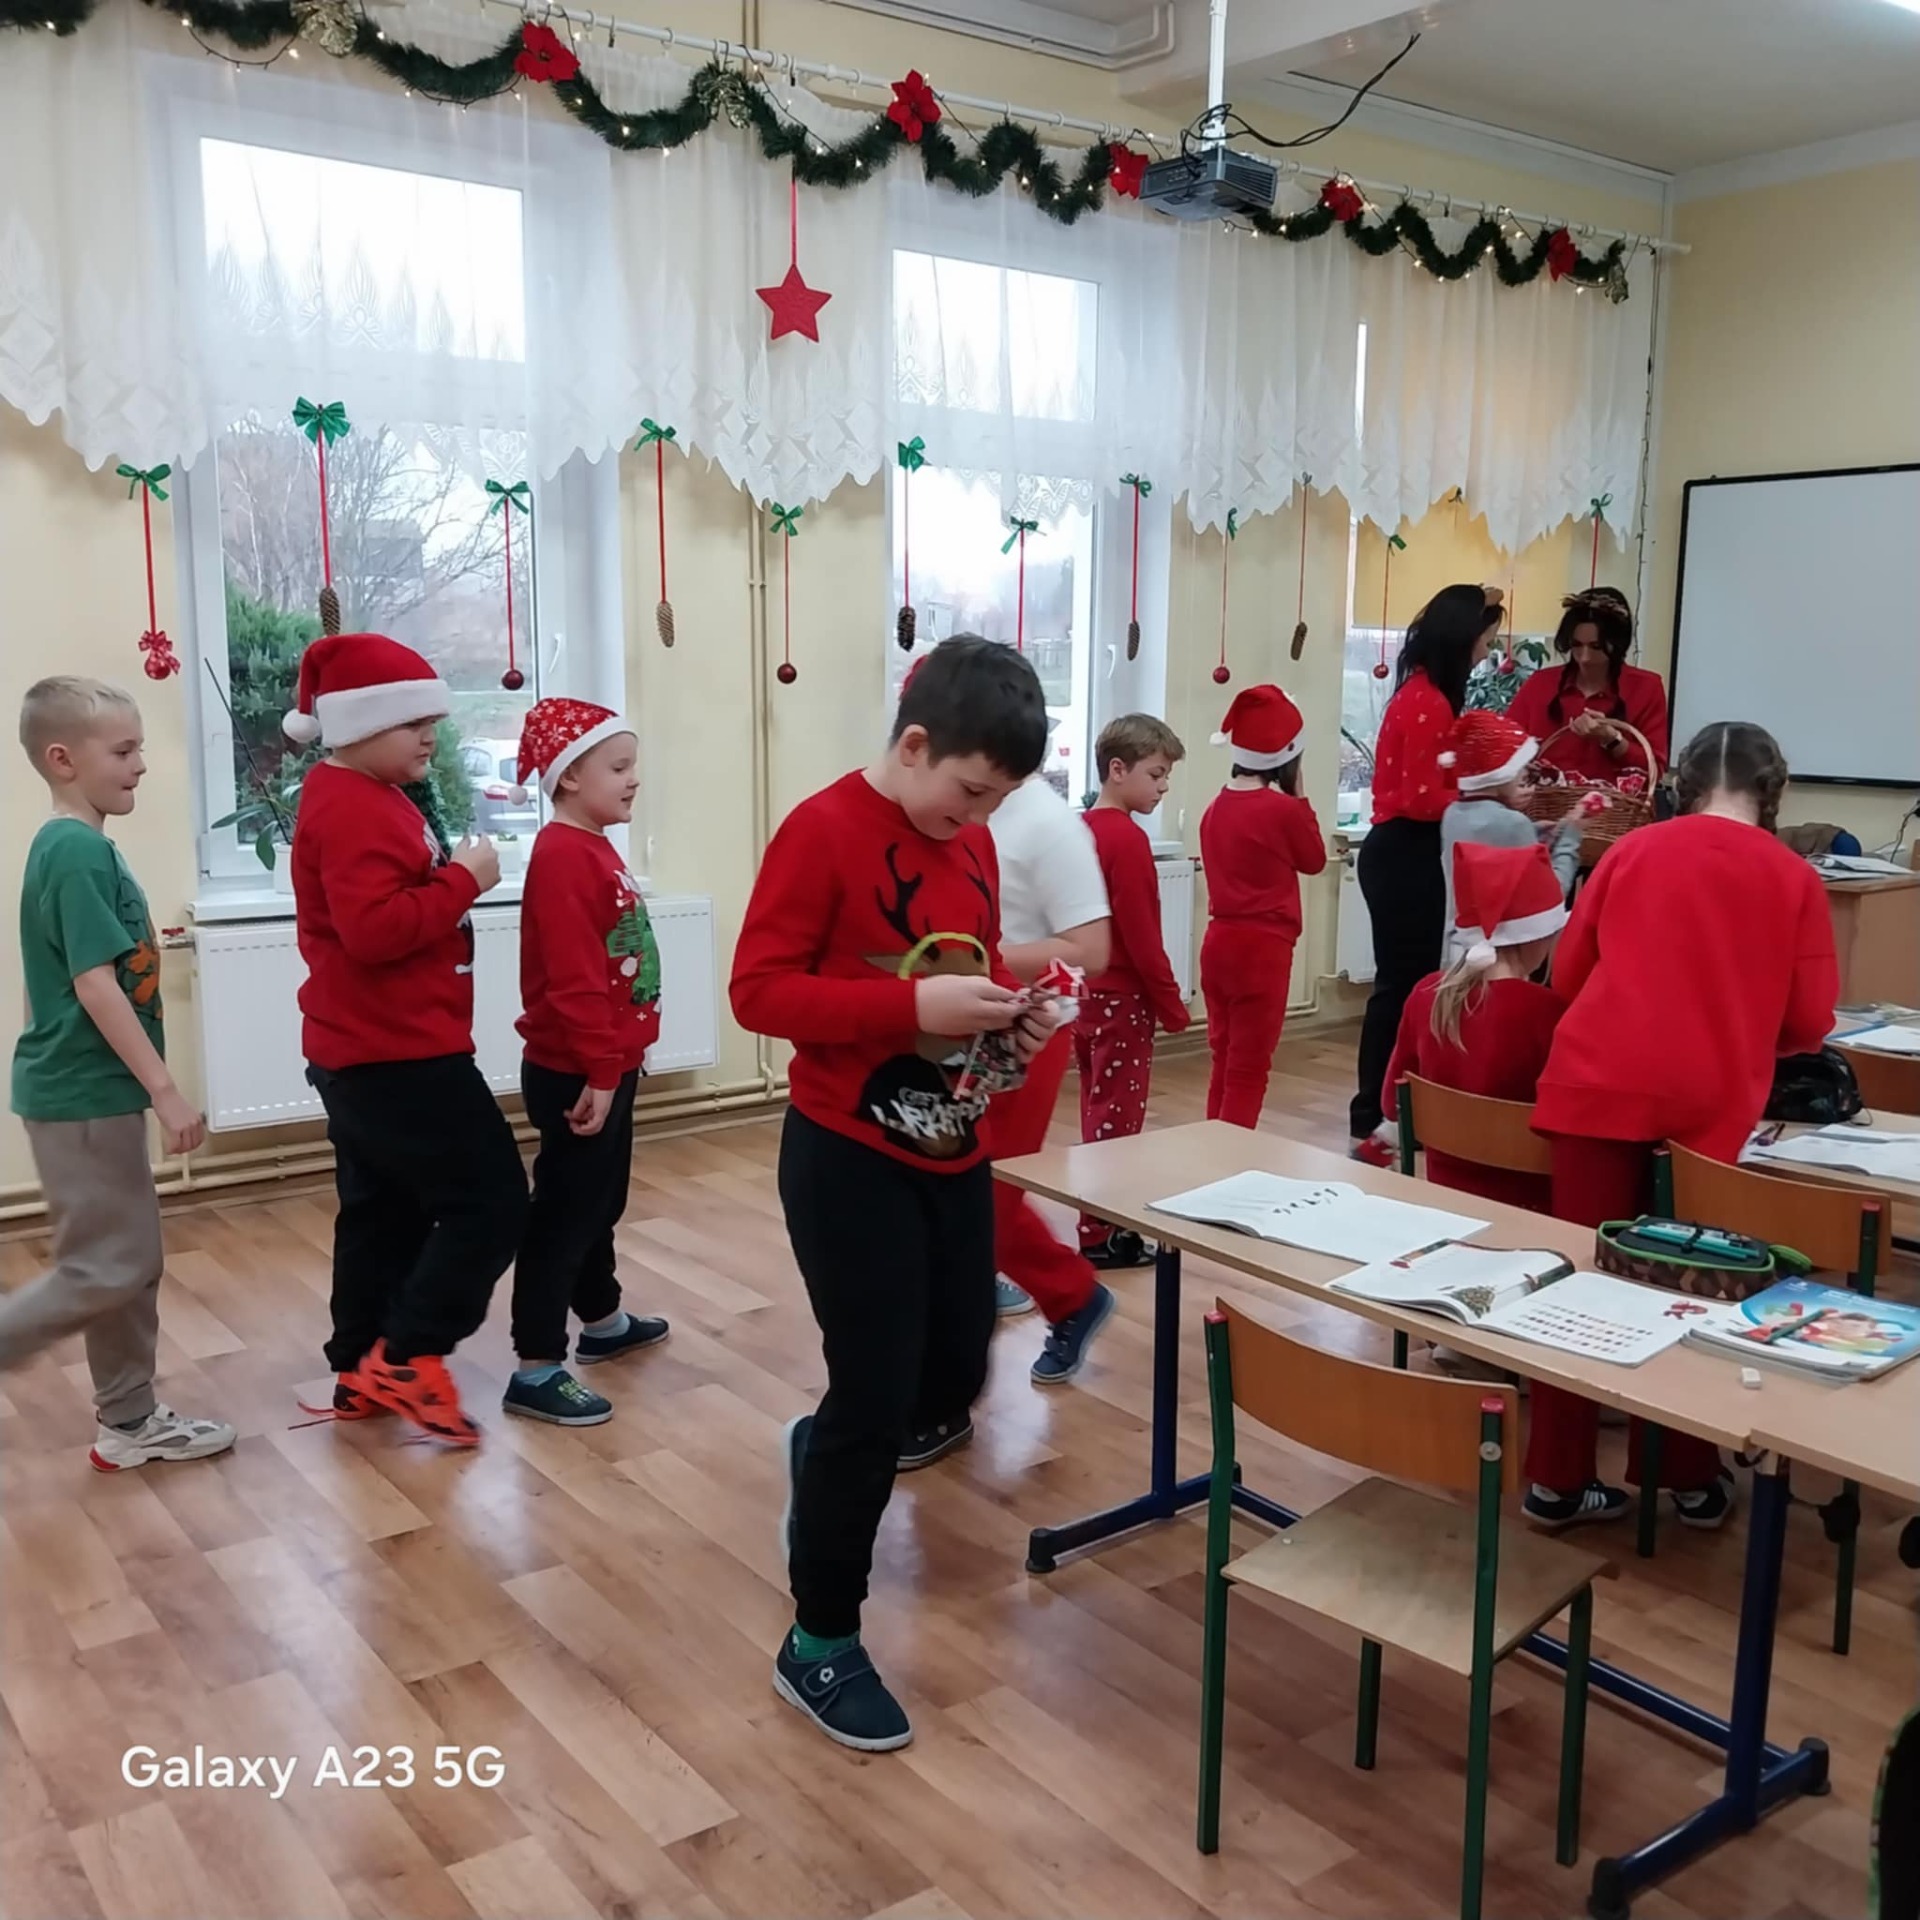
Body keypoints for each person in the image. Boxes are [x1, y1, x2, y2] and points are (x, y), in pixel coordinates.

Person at [730, 636, 1060, 1753]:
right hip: (845, 1156)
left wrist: (1011, 1015)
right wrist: (911, 1012)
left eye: (997, 801)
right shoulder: (822, 831)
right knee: (873, 1401)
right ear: (914, 745)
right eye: (970, 791)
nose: (978, 817)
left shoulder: (968, 840)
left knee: (952, 1380)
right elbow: (758, 993)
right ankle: (819, 1641)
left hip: (952, 1151)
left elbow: (966, 964)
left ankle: (828, 1447)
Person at [1528, 720, 1839, 1531]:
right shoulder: (1793, 876)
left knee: (1584, 1279)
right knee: (1698, 1291)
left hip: (1596, 1083)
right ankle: (1686, 1476)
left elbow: (1567, 975)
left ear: (1684, 783)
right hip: (1710, 1105)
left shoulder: (1632, 851)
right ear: (1772, 791)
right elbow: (1810, 1021)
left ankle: (1556, 1477)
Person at [288, 632, 528, 1447]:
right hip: (397, 1056)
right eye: (412, 723)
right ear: (357, 725)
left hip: (366, 1051)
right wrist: (464, 880)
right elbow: (375, 932)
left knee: (381, 1212)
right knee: (491, 1203)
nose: (431, 737)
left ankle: (359, 1364)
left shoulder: (361, 792)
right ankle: (408, 1354)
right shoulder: (353, 805)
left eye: (433, 722)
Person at [4, 678, 236, 1471]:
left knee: (128, 1266)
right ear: (62, 759)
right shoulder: (73, 849)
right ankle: (128, 1418)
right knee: (107, 1267)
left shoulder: (80, 846)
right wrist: (165, 1091)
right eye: (124, 750)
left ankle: (130, 1421)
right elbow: (94, 984)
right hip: (81, 1096)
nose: (141, 764)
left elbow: (47, 979)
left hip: (89, 1091)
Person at [508, 698, 670, 1428]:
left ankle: (601, 1321)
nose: (634, 779)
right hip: (577, 1071)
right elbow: (575, 980)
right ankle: (536, 1365)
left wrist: (625, 1055)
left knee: (599, 1204)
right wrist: (603, 1070)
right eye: (619, 766)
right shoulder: (563, 857)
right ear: (569, 776)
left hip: (606, 1064)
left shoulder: (593, 846)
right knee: (564, 1215)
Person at [1349, 584, 1504, 1163]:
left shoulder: (1423, 695)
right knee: (1402, 989)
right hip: (1403, 849)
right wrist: (1484, 794)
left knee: (1401, 986)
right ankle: (1379, 1110)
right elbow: (1419, 797)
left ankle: (1384, 1108)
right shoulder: (1428, 702)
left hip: (1402, 849)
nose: (1485, 653)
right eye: (1484, 640)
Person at [983, 760, 1118, 1383]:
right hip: (961, 1023)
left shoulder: (1049, 824)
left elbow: (1091, 950)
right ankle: (1061, 1293)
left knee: (984, 1197)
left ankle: (1071, 1295)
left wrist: (971, 957)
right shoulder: (964, 810)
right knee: (963, 1192)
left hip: (1029, 1033)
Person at [1381, 840, 1568, 1214]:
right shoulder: (1550, 1013)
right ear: (1536, 935)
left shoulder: (1426, 995)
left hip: (1446, 1201)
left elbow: (1392, 1103)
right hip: (1531, 1207)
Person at [1077, 713, 1191, 1264]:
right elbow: (1143, 935)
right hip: (1121, 999)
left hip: (1084, 994)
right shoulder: (1125, 839)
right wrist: (1171, 1004)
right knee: (1118, 1118)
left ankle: (1096, 1223)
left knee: (1095, 1107)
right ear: (1117, 770)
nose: (1163, 787)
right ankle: (1103, 1232)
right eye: (1156, 774)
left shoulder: (1081, 829)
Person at [1198, 685, 1327, 1128]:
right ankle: (1232, 1159)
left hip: (1218, 944)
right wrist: (1301, 797)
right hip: (1263, 950)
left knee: (1223, 1058)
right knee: (1249, 1070)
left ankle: (1212, 1150)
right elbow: (1314, 860)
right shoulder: (1282, 811)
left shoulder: (1213, 809)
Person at [1436, 709, 1581, 963]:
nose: (1524, 772)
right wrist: (1572, 834)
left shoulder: (1452, 815)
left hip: (1458, 951)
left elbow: (1488, 845)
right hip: (1502, 957)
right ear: (1500, 772)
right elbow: (1553, 893)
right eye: (1518, 765)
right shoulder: (1512, 824)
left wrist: (1533, 831)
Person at [1505, 587, 1669, 781]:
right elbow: (1505, 748)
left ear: (1618, 643)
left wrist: (1612, 739)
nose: (1584, 657)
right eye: (1576, 645)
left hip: (1616, 801)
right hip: (1546, 799)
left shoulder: (1646, 688)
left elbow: (1655, 770)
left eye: (1596, 647)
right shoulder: (1540, 684)